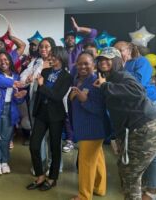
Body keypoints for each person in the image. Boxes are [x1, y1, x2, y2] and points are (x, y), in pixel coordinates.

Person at [93, 47, 156, 200]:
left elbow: (138, 91)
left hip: (144, 128)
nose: (103, 62)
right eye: (101, 59)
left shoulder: (122, 75)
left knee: (130, 174)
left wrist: (105, 86)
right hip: (136, 129)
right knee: (127, 171)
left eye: (108, 59)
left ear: (116, 61)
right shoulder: (110, 79)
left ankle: (148, 192)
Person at [114, 41, 156, 200]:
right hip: (133, 115)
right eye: (116, 51)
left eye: (121, 50)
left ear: (130, 49)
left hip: (150, 109)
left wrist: (120, 70)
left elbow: (136, 85)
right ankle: (144, 189)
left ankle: (152, 190)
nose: (119, 53)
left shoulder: (141, 62)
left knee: (153, 154)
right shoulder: (121, 67)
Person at [26, 46, 72, 191]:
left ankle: (52, 178)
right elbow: (40, 93)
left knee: (54, 148)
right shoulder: (45, 71)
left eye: (54, 56)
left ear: (62, 58)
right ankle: (40, 176)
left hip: (56, 116)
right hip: (41, 113)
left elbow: (57, 96)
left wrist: (42, 85)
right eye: (51, 56)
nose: (51, 58)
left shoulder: (67, 76)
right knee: (34, 145)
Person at [70, 52, 107, 200]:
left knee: (86, 163)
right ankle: (99, 188)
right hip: (83, 126)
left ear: (94, 65)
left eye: (86, 63)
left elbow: (100, 109)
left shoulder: (96, 82)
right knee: (97, 159)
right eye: (80, 63)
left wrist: (84, 100)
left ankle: (84, 196)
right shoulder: (78, 79)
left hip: (92, 129)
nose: (83, 66)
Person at [63, 17, 98, 153]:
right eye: (68, 38)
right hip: (67, 85)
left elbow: (93, 33)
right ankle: (70, 140)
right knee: (68, 114)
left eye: (72, 37)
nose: (70, 40)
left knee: (84, 110)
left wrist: (79, 29)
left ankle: (83, 139)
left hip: (83, 84)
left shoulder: (80, 48)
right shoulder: (62, 51)